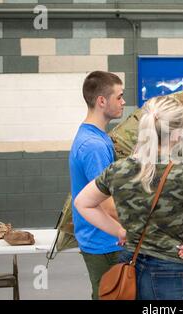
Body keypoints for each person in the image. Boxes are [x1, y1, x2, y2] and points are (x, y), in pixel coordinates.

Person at [74, 95, 183, 300]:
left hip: (130, 266)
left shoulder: (118, 169)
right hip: (175, 272)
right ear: (178, 134)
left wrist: (119, 231)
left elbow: (83, 203)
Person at [69, 71, 126, 300]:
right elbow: (107, 204)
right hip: (106, 243)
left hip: (102, 239)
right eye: (119, 96)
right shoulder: (94, 146)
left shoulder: (95, 136)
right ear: (102, 101)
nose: (123, 102)